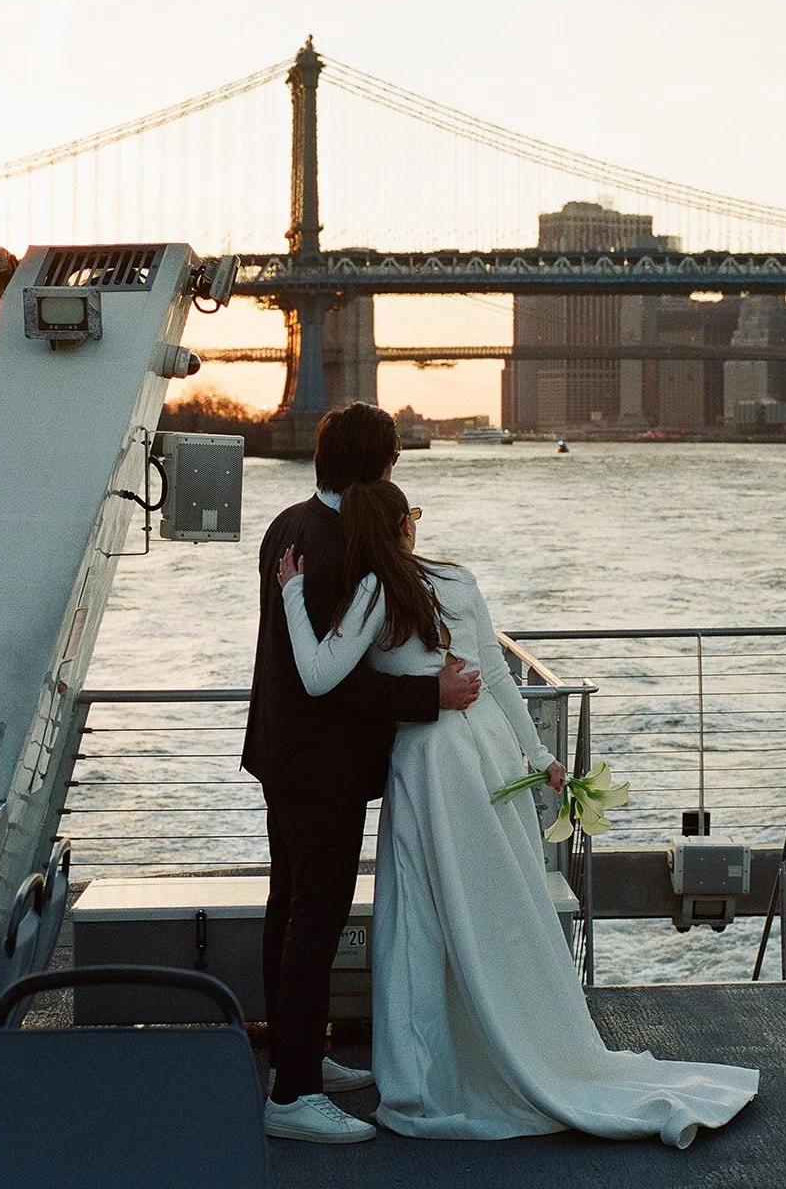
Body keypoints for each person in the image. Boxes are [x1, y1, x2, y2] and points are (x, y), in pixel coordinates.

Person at [277, 479, 759, 1146]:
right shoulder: (455, 578)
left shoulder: (369, 594)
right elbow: (500, 676)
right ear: (405, 527)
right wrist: (540, 757)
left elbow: (317, 674)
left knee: (423, 920)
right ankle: (530, 1040)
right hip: (488, 753)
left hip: (431, 763)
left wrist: (291, 595)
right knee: (501, 906)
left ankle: (427, 1078)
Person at [242, 405, 481, 1145]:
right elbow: (333, 680)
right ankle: (293, 1095)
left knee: (290, 907)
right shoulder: (344, 546)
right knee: (315, 916)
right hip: (324, 764)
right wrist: (427, 696)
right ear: (380, 466)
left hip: (281, 751)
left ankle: (296, 1056)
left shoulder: (288, 523)